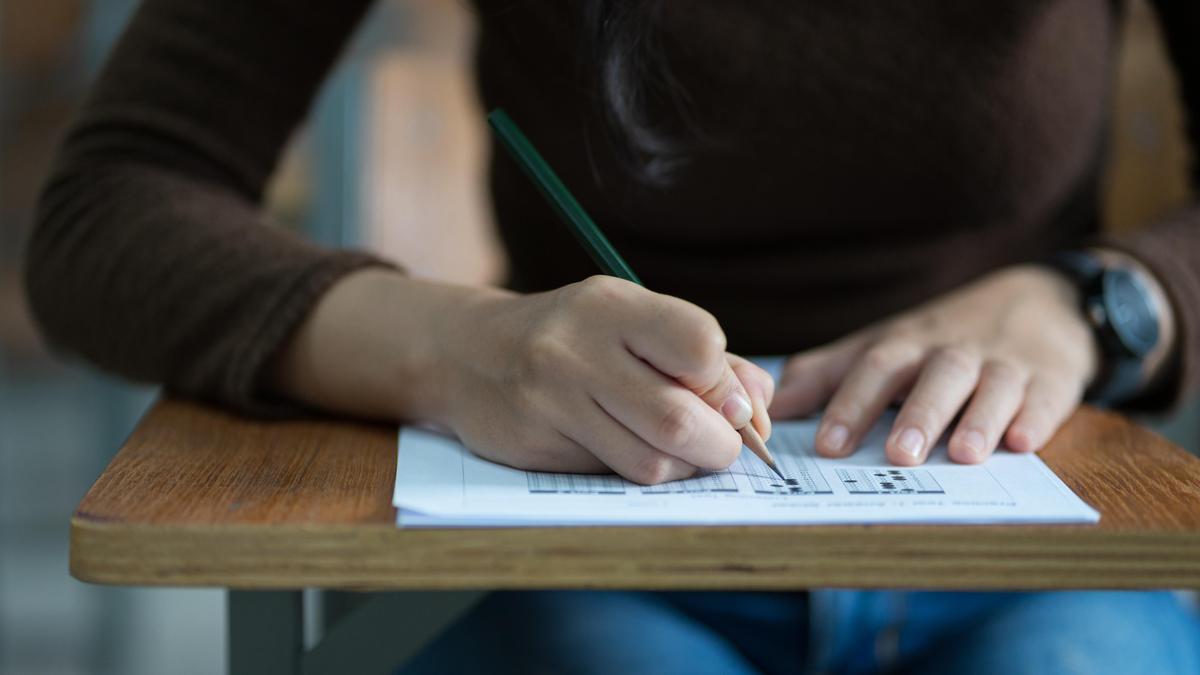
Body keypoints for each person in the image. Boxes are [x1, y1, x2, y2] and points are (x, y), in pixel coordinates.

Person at [24, 1, 1200, 673]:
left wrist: (1102, 301)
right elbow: (113, 203)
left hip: (1035, 536)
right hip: (578, 545)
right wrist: (453, 345)